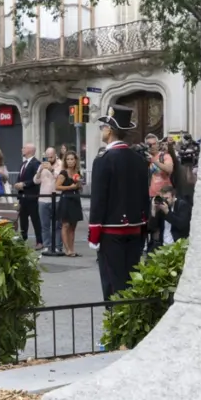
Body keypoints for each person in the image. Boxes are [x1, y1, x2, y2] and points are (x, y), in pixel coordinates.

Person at [88, 105, 150, 302]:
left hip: (110, 231)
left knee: (113, 284)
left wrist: (94, 233)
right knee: (131, 280)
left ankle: (117, 324)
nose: (102, 131)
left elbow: (99, 200)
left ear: (110, 129)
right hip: (135, 229)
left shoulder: (103, 160)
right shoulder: (139, 159)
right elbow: (144, 196)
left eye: (103, 127)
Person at [56, 151, 84, 257]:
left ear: (75, 160)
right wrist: (69, 187)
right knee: (65, 224)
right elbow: (57, 186)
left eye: (72, 159)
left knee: (73, 226)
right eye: (68, 159)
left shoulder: (78, 172)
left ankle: (72, 249)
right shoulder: (63, 173)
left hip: (75, 199)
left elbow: (79, 186)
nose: (70, 161)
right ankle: (67, 249)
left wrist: (79, 185)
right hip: (66, 199)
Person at [14, 143, 43, 249]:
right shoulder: (23, 164)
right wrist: (17, 184)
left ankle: (39, 241)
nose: (22, 149)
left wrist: (24, 184)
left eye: (24, 148)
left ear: (30, 150)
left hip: (31, 196)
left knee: (35, 219)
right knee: (23, 220)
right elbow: (20, 177)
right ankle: (23, 238)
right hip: (22, 197)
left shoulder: (36, 163)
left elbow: (36, 179)